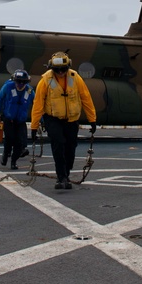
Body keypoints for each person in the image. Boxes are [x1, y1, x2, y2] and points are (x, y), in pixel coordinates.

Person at [30, 51, 96, 190]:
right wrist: (34, 126)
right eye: (57, 70)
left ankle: (66, 173)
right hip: (53, 119)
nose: (60, 72)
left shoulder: (75, 77)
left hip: (71, 120)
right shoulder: (45, 80)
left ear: (68, 67)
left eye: (63, 69)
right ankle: (61, 177)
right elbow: (38, 103)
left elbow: (86, 97)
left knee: (70, 148)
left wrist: (92, 119)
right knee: (58, 144)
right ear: (51, 68)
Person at [0, 69, 34, 170]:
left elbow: (36, 105)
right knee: (9, 139)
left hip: (20, 121)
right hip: (8, 118)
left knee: (19, 142)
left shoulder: (29, 91)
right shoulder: (8, 87)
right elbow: (0, 98)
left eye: (23, 82)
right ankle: (5, 155)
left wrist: (40, 120)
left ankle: (14, 161)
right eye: (18, 81)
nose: (20, 84)